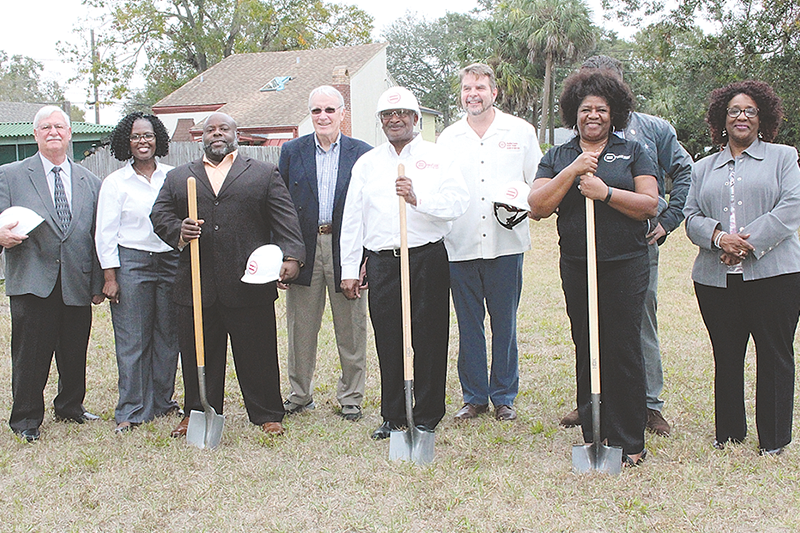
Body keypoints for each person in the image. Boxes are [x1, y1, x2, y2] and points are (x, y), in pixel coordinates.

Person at [555, 57, 694, 437]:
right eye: (589, 99)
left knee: (634, 328)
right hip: (584, 254)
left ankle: (648, 405)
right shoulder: (569, 146)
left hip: (634, 248)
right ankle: (594, 401)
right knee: (590, 327)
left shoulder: (651, 130)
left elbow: (682, 172)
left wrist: (667, 221)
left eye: (606, 95)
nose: (597, 108)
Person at [529, 70, 658, 465]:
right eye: (586, 109)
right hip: (577, 264)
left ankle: (630, 441)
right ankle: (595, 432)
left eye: (602, 109)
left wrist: (605, 193)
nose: (594, 116)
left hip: (625, 264)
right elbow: (537, 207)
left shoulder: (633, 151)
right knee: (586, 344)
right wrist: (571, 172)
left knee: (622, 346)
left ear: (613, 113)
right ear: (574, 113)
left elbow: (650, 204)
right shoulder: (557, 156)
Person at [150, 112, 305, 437]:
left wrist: (292, 256)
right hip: (196, 283)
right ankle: (197, 411)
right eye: (210, 130)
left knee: (258, 352)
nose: (216, 133)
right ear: (200, 137)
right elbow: (159, 213)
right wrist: (179, 229)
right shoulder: (180, 177)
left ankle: (267, 413)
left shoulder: (262, 173)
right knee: (197, 354)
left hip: (249, 283)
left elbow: (285, 219)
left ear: (237, 134)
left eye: (224, 128)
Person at [339, 87, 469, 439]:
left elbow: (458, 202)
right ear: (381, 121)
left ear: (415, 118)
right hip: (383, 262)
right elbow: (353, 218)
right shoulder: (367, 163)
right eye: (387, 115)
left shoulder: (438, 157)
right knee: (388, 338)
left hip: (426, 256)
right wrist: (350, 268)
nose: (394, 120)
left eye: (402, 114)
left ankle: (427, 414)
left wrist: (417, 198)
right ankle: (393, 414)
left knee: (429, 336)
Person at [684, 80, 800, 456]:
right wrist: (720, 238)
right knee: (727, 355)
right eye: (734, 110)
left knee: (775, 354)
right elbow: (690, 217)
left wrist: (745, 244)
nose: (742, 116)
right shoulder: (703, 168)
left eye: (750, 110)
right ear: (723, 117)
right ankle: (730, 433)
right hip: (716, 278)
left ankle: (775, 439)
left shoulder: (783, 157)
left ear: (761, 117)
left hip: (775, 275)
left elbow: (791, 207)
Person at [437, 63, 542, 422]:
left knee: (504, 323)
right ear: (461, 94)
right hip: (460, 244)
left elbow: (538, 183)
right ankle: (474, 396)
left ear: (494, 92)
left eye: (480, 87)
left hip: (506, 244)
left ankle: (503, 396)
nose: (473, 94)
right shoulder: (448, 138)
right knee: (468, 325)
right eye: (467, 88)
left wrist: (518, 201)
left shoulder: (521, 132)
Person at [0, 105, 104, 442]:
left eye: (59, 126)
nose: (53, 132)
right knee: (31, 355)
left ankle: (71, 407)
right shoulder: (11, 174)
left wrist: (100, 281)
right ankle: (26, 419)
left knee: (74, 351)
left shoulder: (90, 181)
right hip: (32, 281)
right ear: (35, 135)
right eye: (45, 127)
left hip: (77, 279)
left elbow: (96, 236)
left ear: (70, 133)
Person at [279, 86, 372, 421]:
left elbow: (370, 209)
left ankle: (351, 397)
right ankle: (299, 395)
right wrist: (286, 255)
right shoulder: (292, 152)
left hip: (346, 247)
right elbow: (283, 206)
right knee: (301, 328)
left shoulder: (363, 153)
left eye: (330, 110)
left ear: (342, 113)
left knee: (351, 327)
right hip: (304, 248)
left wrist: (364, 259)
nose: (323, 117)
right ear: (310, 114)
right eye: (316, 111)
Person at [95, 112, 181, 434]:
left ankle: (162, 402)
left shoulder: (173, 177)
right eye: (135, 137)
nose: (142, 142)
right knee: (133, 339)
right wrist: (110, 277)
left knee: (167, 337)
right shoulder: (116, 183)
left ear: (157, 139)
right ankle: (131, 410)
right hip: (132, 263)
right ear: (126, 143)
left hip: (170, 261)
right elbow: (105, 233)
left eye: (147, 136)